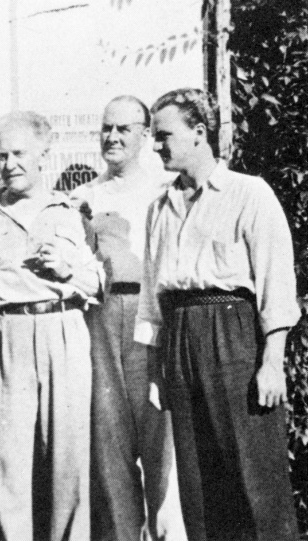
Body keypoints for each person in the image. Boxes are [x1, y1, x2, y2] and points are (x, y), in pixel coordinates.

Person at [136, 88, 299, 541]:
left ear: (200, 133)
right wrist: (155, 372)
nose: (156, 145)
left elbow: (275, 284)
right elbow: (153, 296)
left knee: (254, 476)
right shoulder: (159, 208)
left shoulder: (249, 194)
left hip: (234, 337)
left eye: (164, 134)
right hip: (180, 340)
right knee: (199, 483)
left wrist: (272, 362)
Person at [0, 111, 103, 540]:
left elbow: (96, 281)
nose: (10, 163)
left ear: (43, 154)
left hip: (63, 332)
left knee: (69, 462)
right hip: (2, 336)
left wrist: (68, 269)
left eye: (19, 154)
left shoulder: (68, 211)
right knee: (6, 465)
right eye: (3, 155)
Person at [70, 96, 184, 541]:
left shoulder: (165, 190)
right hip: (99, 317)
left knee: (161, 444)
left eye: (123, 129)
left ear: (144, 133)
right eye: (106, 128)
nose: (112, 137)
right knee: (109, 443)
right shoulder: (88, 196)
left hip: (150, 316)